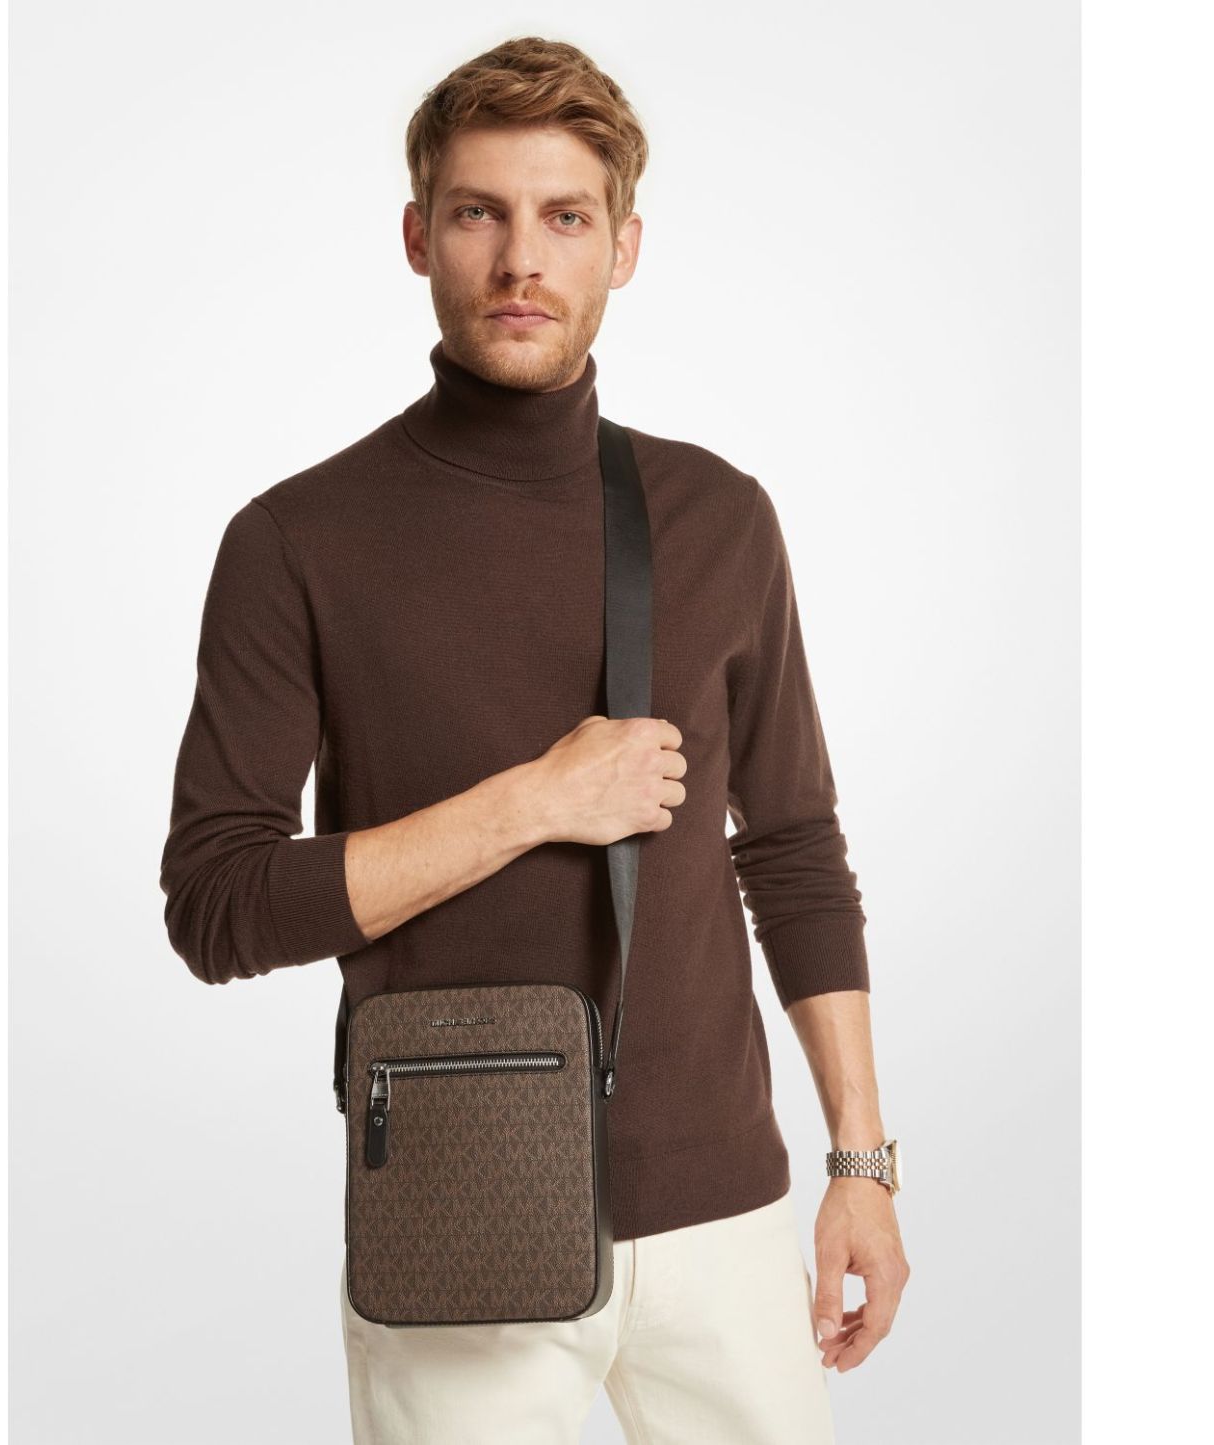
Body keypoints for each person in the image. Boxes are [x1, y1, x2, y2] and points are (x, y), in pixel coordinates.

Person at [159, 34, 909, 1445]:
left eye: (564, 216)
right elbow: (215, 903)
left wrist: (859, 1162)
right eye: (477, 213)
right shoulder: (297, 540)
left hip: (724, 1212)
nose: (520, 259)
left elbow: (796, 852)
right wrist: (533, 801)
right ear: (417, 238)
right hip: (456, 1206)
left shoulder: (719, 516)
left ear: (623, 246)